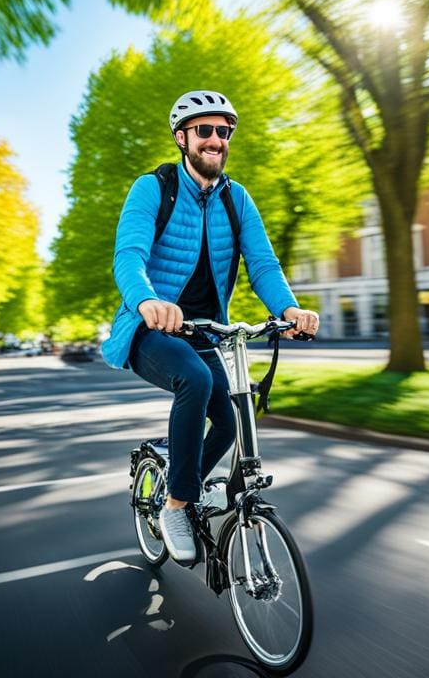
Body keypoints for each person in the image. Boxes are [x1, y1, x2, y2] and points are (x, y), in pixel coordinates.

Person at [102, 90, 319, 563]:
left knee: (234, 418)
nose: (216, 140)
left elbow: (263, 264)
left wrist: (291, 310)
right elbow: (129, 257)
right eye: (205, 130)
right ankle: (176, 507)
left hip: (204, 332)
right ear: (183, 138)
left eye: (224, 131)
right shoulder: (152, 188)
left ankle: (183, 483)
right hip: (150, 329)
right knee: (195, 381)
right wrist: (147, 302)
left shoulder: (236, 199)